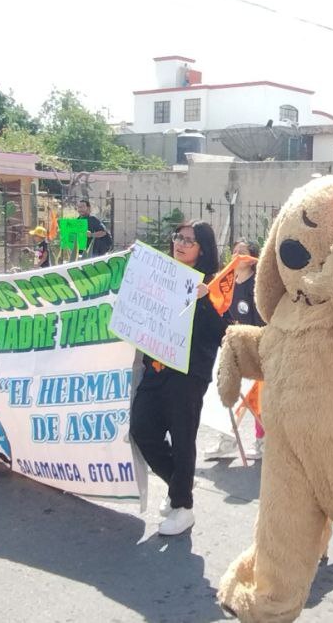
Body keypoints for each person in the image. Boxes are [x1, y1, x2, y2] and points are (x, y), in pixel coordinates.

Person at [129, 221, 227, 534]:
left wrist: (203, 301)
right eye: (178, 237)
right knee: (142, 429)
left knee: (183, 439)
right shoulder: (162, 274)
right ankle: (178, 487)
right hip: (155, 368)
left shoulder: (215, 284)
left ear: (203, 248)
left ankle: (183, 507)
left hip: (187, 375)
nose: (180, 243)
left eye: (190, 240)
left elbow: (222, 332)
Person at [205, 241, 266, 461]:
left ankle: (262, 443)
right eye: (235, 251)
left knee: (256, 398)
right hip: (234, 347)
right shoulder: (226, 283)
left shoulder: (257, 285)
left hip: (255, 346)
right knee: (228, 393)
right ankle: (227, 439)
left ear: (252, 259)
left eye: (243, 252)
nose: (237, 255)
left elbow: (261, 319)